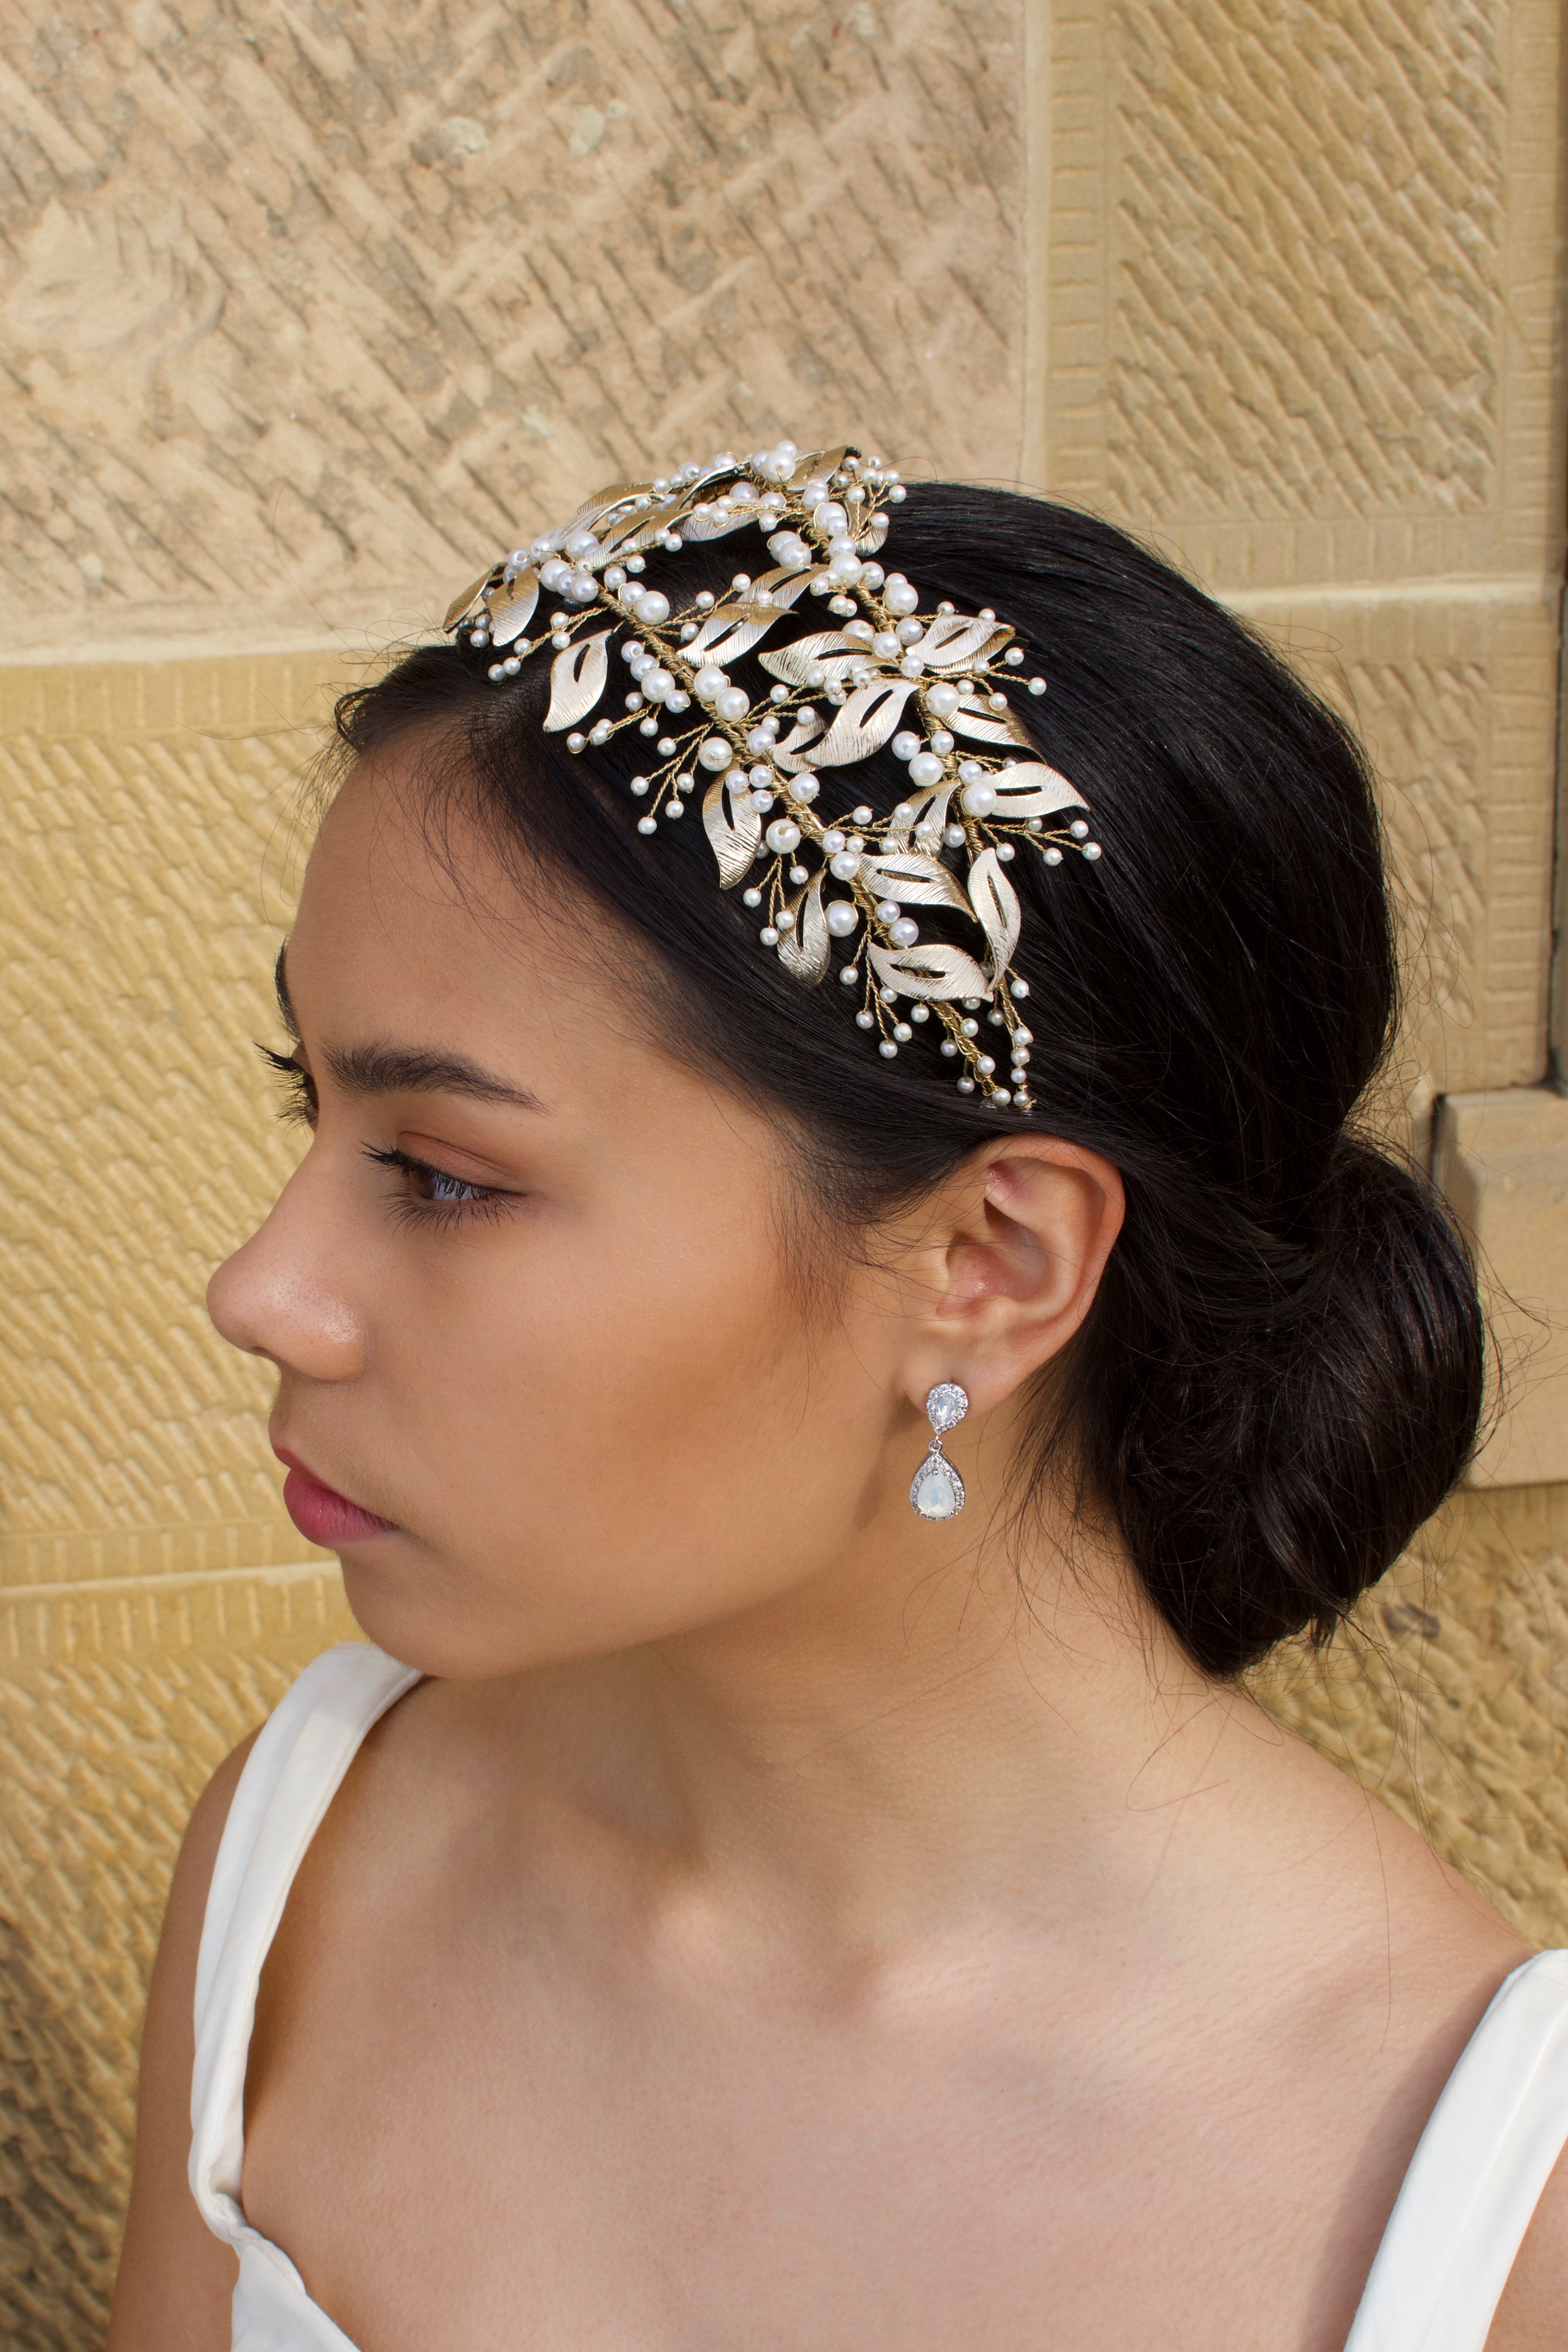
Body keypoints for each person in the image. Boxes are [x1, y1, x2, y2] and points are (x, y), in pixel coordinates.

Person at [107, 443, 1568, 2352]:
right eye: (320, 1109)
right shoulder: (308, 1859)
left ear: (992, 1260)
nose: (263, 1292)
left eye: (447, 1173)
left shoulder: (1475, 2213)